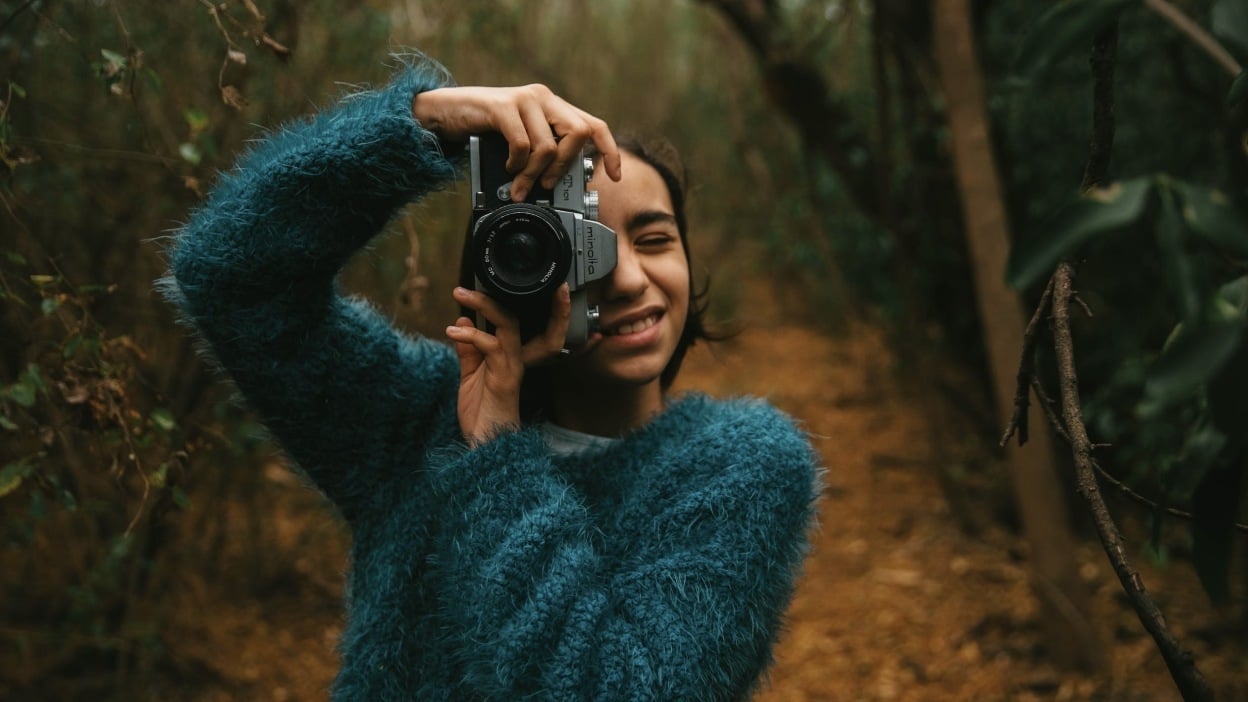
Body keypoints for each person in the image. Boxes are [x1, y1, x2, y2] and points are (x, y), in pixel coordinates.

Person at [163, 55, 820, 701]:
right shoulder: (415, 420)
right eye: (581, 245)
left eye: (653, 240)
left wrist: (498, 455)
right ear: (509, 259)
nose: (625, 278)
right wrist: (427, 124)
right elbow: (231, 275)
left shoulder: (737, 469)